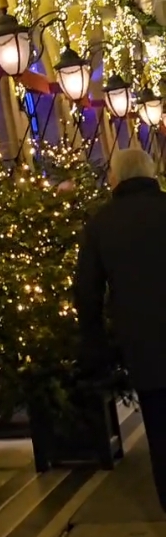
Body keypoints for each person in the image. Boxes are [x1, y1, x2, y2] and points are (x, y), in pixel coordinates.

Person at [74, 145, 166, 510]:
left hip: (145, 347)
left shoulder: (102, 224)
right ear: (152, 173)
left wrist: (96, 347)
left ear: (114, 178)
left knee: (160, 430)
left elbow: (87, 292)